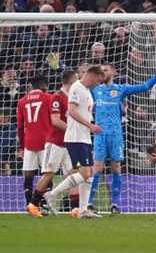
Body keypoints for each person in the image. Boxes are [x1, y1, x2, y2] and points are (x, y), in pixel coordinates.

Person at [87, 62, 156, 214]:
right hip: (99, 134)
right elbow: (76, 88)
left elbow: (144, 87)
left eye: (106, 70)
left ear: (114, 72)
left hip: (116, 135)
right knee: (97, 168)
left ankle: (114, 204)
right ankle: (89, 203)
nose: (103, 72)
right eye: (101, 70)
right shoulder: (94, 90)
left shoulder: (120, 89)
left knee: (116, 168)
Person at [43, 65, 104, 218]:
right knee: (84, 173)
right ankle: (52, 194)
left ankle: (83, 210)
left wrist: (90, 125)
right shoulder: (76, 87)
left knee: (88, 175)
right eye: (98, 80)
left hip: (84, 138)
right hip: (75, 138)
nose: (98, 84)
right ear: (91, 75)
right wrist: (90, 125)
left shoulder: (87, 91)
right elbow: (72, 110)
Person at [27, 71, 78, 218]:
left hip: (69, 144)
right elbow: (55, 121)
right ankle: (33, 204)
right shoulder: (57, 97)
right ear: (70, 81)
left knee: (74, 174)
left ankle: (75, 209)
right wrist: (72, 130)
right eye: (77, 79)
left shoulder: (72, 98)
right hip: (55, 143)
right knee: (49, 174)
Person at [16, 76, 52, 207]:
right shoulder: (49, 98)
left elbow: (20, 127)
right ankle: (45, 205)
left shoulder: (22, 101)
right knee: (47, 173)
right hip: (46, 141)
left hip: (29, 142)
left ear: (32, 86)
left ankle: (29, 204)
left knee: (29, 174)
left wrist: (21, 146)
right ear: (44, 86)